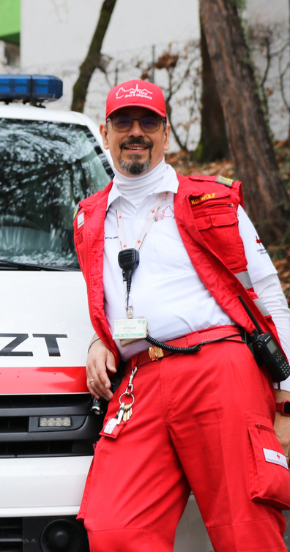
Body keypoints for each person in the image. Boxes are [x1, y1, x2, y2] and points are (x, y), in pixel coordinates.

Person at [76, 79, 290, 551]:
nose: (136, 132)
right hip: (141, 380)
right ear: (105, 132)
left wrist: (287, 400)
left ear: (166, 134)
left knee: (246, 530)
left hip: (219, 368)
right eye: (123, 122)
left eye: (148, 121)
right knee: (115, 529)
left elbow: (271, 296)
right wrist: (98, 341)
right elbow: (103, 298)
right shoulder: (90, 217)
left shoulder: (210, 201)